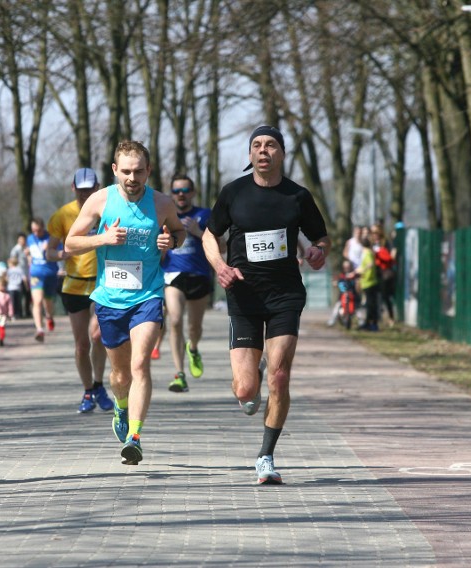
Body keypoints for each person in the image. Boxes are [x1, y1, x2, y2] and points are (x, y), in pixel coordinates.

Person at [202, 125, 330, 485]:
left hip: (285, 295)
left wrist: (319, 251)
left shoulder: (297, 197)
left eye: (270, 145)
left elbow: (320, 237)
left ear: (281, 153)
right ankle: (252, 373)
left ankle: (266, 456)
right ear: (250, 155)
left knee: (280, 375)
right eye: (256, 145)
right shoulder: (234, 193)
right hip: (243, 295)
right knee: (244, 389)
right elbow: (211, 235)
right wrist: (220, 267)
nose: (263, 151)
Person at [65, 140, 186, 466]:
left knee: (140, 365)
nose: (133, 177)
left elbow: (178, 232)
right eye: (127, 171)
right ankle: (120, 404)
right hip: (109, 299)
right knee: (120, 374)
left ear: (149, 171)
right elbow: (70, 243)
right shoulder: (100, 200)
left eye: (139, 171)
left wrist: (170, 240)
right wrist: (102, 239)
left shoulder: (161, 202)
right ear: (116, 170)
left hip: (147, 295)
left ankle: (135, 436)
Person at [46, 167, 114, 414]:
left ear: (98, 188)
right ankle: (89, 390)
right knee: (81, 344)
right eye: (81, 190)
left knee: (98, 336)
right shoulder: (63, 214)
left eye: (90, 189)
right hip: (73, 284)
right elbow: (49, 252)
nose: (86, 195)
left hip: (102, 281)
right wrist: (61, 254)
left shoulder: (107, 208)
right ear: (73, 188)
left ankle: (99, 384)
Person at [162, 174, 218, 393]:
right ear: (172, 194)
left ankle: (193, 348)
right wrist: (162, 248)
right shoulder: (165, 217)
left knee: (194, 327)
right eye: (176, 191)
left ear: (192, 193)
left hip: (199, 275)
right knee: (174, 320)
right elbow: (158, 252)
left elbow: (221, 247)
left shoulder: (204, 215)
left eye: (185, 190)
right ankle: (179, 374)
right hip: (173, 275)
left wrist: (197, 232)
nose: (181, 195)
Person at [27, 218, 59, 341]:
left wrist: (49, 249)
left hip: (50, 273)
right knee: (37, 301)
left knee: (48, 302)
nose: (36, 233)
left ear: (43, 228)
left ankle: (49, 317)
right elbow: (31, 253)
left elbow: (59, 253)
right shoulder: (30, 238)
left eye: (38, 230)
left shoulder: (51, 238)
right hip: (36, 274)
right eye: (34, 230)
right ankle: (39, 329)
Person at [356, 234, 379, 331]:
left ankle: (371, 324)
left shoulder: (367, 253)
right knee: (370, 304)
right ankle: (369, 323)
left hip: (369, 282)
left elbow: (370, 264)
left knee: (370, 305)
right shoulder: (368, 253)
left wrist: (363, 272)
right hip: (367, 282)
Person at [9, 232, 30, 318]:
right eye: (21, 239)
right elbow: (12, 261)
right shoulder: (15, 250)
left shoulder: (27, 249)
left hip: (27, 274)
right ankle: (19, 313)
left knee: (27, 294)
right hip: (18, 275)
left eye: (24, 240)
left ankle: (27, 311)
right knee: (19, 295)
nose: (22, 241)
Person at [5, 256, 27, 321]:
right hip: (18, 287)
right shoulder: (19, 269)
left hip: (10, 287)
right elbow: (24, 278)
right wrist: (26, 286)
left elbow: (6, 278)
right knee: (18, 302)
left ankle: (12, 314)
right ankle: (18, 314)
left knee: (11, 302)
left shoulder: (9, 270)